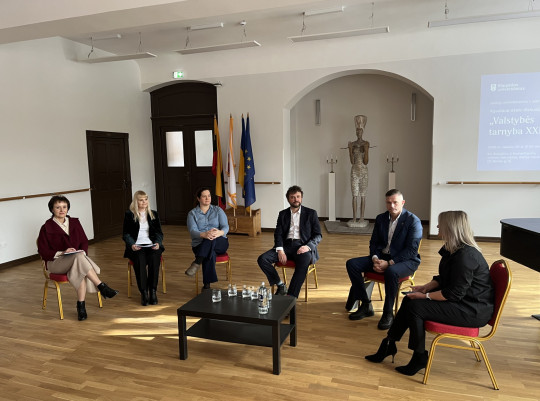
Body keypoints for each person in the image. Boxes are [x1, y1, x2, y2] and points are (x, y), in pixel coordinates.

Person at [365, 210, 494, 376]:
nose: (437, 226)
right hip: (463, 300)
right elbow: (444, 278)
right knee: (409, 300)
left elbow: (453, 294)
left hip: (472, 309)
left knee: (416, 307)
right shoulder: (453, 249)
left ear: (451, 228)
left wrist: (425, 296)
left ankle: (419, 356)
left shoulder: (465, 256)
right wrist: (425, 287)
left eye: (441, 224)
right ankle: (389, 343)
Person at [346, 189, 422, 330]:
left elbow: (411, 250)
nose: (391, 206)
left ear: (403, 203)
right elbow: (374, 242)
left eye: (395, 202)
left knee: (391, 272)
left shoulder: (413, 221)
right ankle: (366, 304)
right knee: (352, 264)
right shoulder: (381, 218)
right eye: (388, 202)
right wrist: (375, 258)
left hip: (406, 260)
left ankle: (388, 313)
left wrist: (389, 263)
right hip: (382, 257)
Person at [37, 195, 118, 321]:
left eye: (64, 207)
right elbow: (43, 251)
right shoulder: (46, 227)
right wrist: (62, 252)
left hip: (76, 259)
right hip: (55, 262)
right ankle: (101, 286)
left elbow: (84, 241)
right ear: (52, 209)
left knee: (79, 263)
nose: (62, 210)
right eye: (58, 207)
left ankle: (81, 307)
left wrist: (82, 252)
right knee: (79, 259)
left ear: (68, 208)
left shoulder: (75, 222)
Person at [257, 185, 322, 298]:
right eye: (292, 197)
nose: (296, 199)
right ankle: (280, 285)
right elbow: (278, 234)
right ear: (288, 199)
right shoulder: (283, 214)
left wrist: (308, 246)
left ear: (301, 198)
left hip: (302, 246)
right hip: (286, 246)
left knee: (303, 263)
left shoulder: (311, 213)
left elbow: (318, 235)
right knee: (262, 259)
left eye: (298, 196)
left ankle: (291, 297)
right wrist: (280, 250)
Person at [122, 190, 164, 306]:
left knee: (154, 258)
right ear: (136, 201)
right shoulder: (129, 214)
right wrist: (132, 244)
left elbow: (159, 233)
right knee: (140, 260)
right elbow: (126, 234)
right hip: (136, 246)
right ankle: (144, 292)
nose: (144, 202)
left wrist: (158, 243)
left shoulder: (153, 214)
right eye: (141, 200)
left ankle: (153, 291)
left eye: (146, 199)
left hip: (151, 244)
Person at [185, 187, 229, 290]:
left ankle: (197, 262)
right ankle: (206, 286)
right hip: (199, 244)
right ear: (198, 198)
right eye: (204, 196)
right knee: (210, 253)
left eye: (209, 196)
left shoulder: (218, 210)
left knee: (211, 238)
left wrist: (219, 233)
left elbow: (225, 227)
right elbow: (192, 231)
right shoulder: (192, 214)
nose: (207, 198)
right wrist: (204, 235)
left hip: (220, 242)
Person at [347, 115, 370, 227]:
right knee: (354, 195)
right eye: (357, 131)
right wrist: (350, 149)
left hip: (364, 172)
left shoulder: (366, 143)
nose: (358, 132)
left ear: (363, 132)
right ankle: (354, 218)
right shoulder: (352, 144)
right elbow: (352, 161)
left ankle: (362, 217)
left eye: (360, 130)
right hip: (354, 171)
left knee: (363, 195)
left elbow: (366, 162)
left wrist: (366, 150)